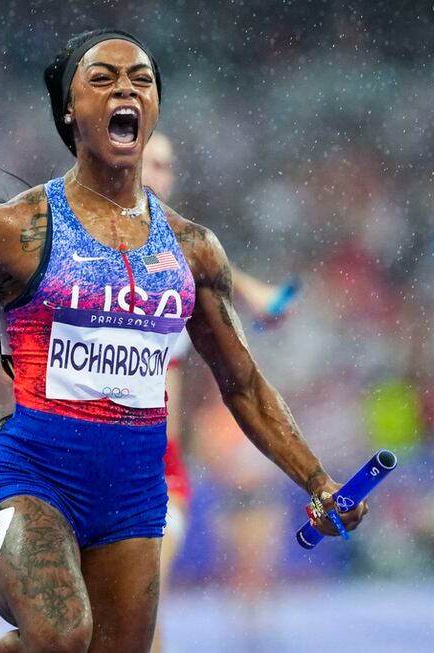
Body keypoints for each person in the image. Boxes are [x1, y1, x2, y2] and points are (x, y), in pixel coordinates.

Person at [0, 29, 368, 653]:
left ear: (152, 110)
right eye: (102, 78)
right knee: (62, 634)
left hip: (134, 495)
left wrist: (319, 482)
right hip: (33, 478)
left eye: (141, 80)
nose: (125, 88)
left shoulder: (192, 250)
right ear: (70, 112)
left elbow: (242, 384)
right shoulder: (12, 230)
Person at [140, 131, 295, 653]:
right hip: (84, 460)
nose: (159, 175)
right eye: (149, 163)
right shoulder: (77, 246)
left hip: (158, 469)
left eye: (166, 165)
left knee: (141, 600)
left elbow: (209, 264)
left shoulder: (178, 258)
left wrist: (257, 294)